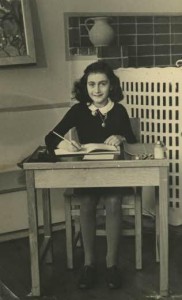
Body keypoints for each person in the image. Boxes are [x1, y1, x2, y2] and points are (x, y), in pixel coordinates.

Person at [45, 60, 137, 289]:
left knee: (114, 202)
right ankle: (88, 264)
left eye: (102, 84)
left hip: (114, 176)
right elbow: (50, 139)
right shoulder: (78, 110)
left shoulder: (119, 111)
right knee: (86, 202)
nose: (96, 90)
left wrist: (122, 138)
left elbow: (133, 144)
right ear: (84, 87)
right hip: (86, 176)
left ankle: (111, 265)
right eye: (91, 84)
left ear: (111, 87)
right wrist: (68, 146)